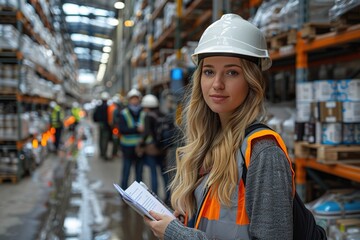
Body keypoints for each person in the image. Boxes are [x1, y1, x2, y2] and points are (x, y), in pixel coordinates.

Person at [144, 14, 294, 239]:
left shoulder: (264, 152)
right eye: (209, 72)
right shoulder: (209, 141)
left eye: (232, 72)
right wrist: (190, 219)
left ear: (251, 81)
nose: (217, 84)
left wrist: (178, 235)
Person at [138, 94, 170, 202]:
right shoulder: (163, 114)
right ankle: (168, 197)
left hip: (152, 149)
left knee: (153, 173)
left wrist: (141, 144)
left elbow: (147, 133)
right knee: (164, 173)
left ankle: (155, 197)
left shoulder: (148, 116)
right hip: (163, 149)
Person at [118, 89, 146, 189]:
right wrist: (136, 129)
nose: (134, 101)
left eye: (136, 99)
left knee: (139, 173)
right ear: (129, 100)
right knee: (126, 171)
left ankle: (139, 195)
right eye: (132, 99)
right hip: (127, 148)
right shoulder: (124, 113)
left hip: (139, 147)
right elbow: (122, 129)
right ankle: (124, 194)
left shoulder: (143, 113)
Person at [93, 91, 112, 160]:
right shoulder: (108, 107)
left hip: (100, 124)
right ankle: (104, 154)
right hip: (105, 125)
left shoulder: (98, 107)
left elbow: (94, 116)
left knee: (101, 138)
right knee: (105, 139)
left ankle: (101, 152)